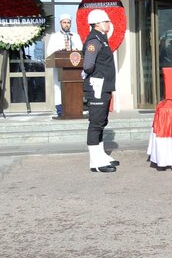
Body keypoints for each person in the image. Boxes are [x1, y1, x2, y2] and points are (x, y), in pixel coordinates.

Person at [82, 9, 118, 173]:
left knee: (101, 122)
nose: (109, 24)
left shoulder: (101, 40)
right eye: (106, 22)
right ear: (97, 23)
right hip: (97, 86)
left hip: (103, 86)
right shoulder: (94, 41)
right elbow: (88, 65)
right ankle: (94, 161)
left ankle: (101, 155)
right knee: (96, 123)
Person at [44, 12, 83, 117]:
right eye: (64, 22)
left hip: (74, 68)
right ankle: (60, 109)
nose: (66, 24)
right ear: (60, 23)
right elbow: (49, 52)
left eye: (68, 23)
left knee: (74, 86)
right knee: (58, 87)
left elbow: (81, 50)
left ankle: (75, 108)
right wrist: (61, 50)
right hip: (60, 68)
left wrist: (75, 50)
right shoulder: (54, 36)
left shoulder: (75, 36)